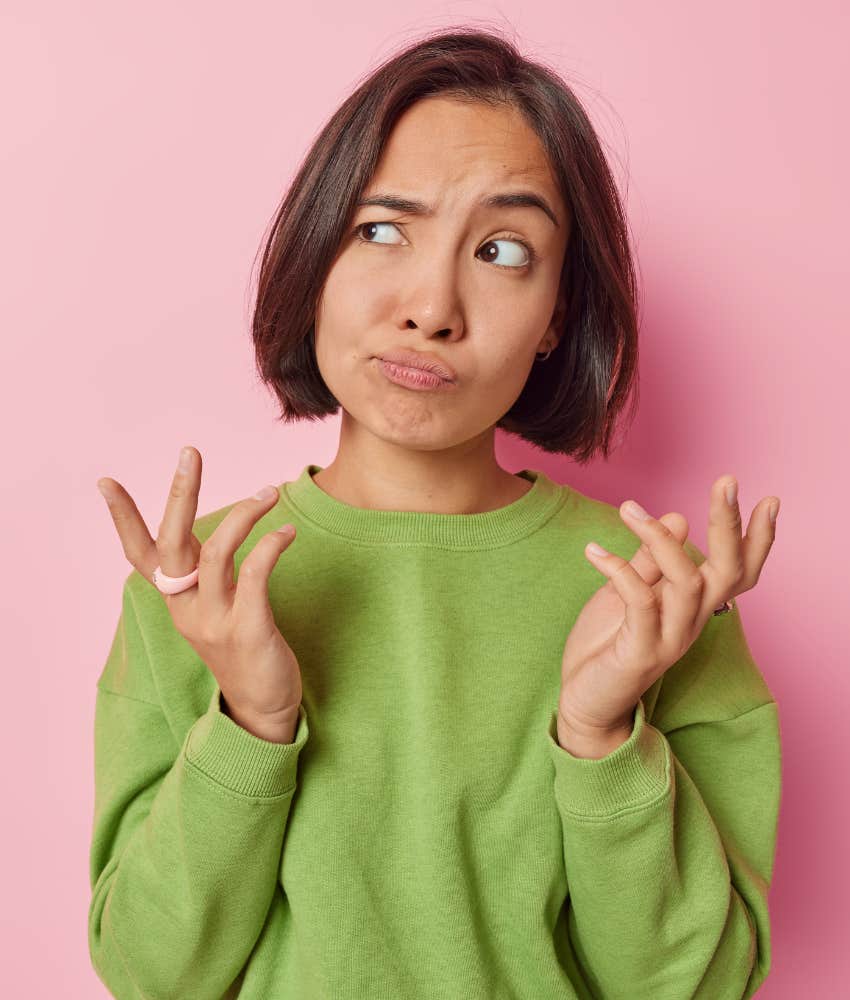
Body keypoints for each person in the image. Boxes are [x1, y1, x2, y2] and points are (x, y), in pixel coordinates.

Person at [88, 25, 782, 999]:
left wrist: (601, 735)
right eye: (381, 231)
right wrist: (250, 722)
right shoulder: (197, 587)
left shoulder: (657, 599)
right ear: (315, 257)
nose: (431, 307)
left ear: (557, 316)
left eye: (502, 250)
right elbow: (149, 973)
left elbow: (701, 985)